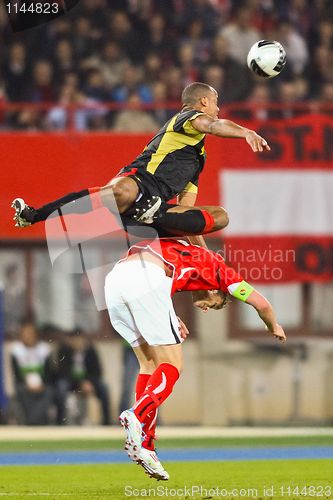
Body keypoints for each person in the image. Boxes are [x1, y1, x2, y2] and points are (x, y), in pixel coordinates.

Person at [104, 238, 287, 481]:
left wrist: (168, 313)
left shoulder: (188, 252)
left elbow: (162, 272)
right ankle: (137, 415)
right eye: (213, 304)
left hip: (115, 279)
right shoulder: (222, 273)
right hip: (145, 278)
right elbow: (262, 304)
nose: (205, 308)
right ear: (215, 290)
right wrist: (273, 324)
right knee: (173, 364)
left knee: (149, 364)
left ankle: (146, 446)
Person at [12, 82, 270, 242]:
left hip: (152, 218)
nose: (217, 108)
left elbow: (187, 216)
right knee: (122, 191)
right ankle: (35, 215)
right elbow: (214, 124)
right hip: (135, 190)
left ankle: (153, 213)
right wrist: (246, 132)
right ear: (203, 102)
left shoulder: (197, 160)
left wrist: (202, 256)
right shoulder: (188, 118)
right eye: (215, 102)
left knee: (220, 217)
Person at [54, 331, 111, 425]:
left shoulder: (90, 351)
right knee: (61, 387)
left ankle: (106, 422)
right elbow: (62, 372)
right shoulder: (64, 351)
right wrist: (80, 383)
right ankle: (60, 422)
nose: (78, 343)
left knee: (104, 388)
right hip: (71, 382)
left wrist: (89, 382)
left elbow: (97, 371)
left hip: (88, 382)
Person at [10, 320, 53, 425]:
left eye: (30, 333)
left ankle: (32, 422)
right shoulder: (16, 350)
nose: (28, 336)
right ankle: (33, 422)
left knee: (50, 391)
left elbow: (49, 372)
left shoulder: (45, 349)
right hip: (24, 385)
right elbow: (16, 373)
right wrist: (28, 384)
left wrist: (40, 384)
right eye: (25, 333)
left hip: (42, 385)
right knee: (21, 391)